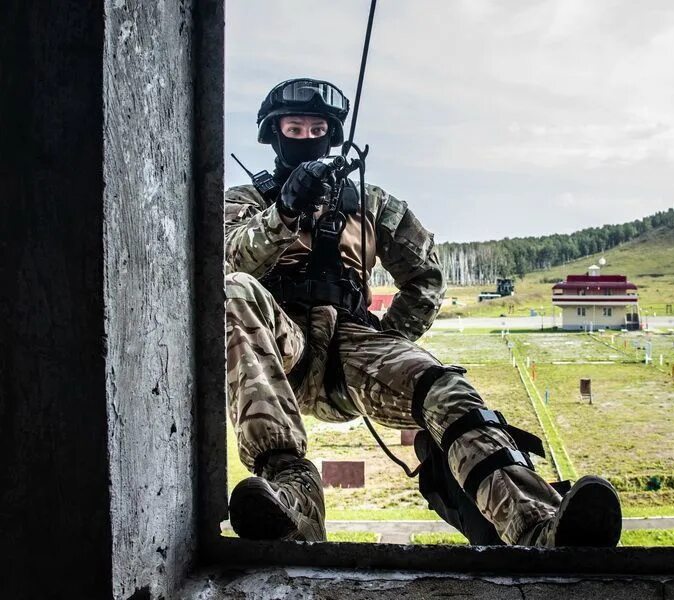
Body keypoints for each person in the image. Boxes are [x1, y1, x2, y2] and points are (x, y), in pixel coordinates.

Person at [224, 77, 622, 547]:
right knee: (236, 289)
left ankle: (537, 525)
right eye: (295, 128)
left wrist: (390, 342)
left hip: (352, 347)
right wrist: (284, 211)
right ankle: (294, 503)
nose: (307, 139)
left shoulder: (371, 204)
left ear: (331, 137)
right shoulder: (245, 203)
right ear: (275, 134)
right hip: (278, 346)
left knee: (445, 389)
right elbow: (229, 258)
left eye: (317, 130)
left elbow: (425, 277)